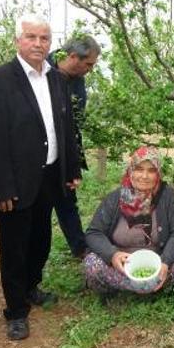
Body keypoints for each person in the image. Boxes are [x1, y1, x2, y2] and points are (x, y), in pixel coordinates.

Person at [0, 14, 81, 340]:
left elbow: (65, 128)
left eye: (44, 38)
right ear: (18, 40)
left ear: (51, 43)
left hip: (50, 175)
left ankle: (32, 287)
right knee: (14, 246)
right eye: (31, 37)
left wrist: (71, 168)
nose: (38, 44)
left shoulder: (56, 79)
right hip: (15, 180)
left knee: (41, 240)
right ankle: (15, 310)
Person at [83, 147, 174, 297]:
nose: (144, 176)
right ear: (130, 170)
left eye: (151, 170)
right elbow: (93, 233)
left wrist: (166, 261)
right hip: (122, 265)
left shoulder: (168, 196)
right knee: (92, 264)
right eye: (139, 169)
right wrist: (113, 255)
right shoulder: (116, 198)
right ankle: (146, 287)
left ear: (158, 173)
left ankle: (144, 284)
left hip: (157, 261)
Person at [47, 35, 101, 258]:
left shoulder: (78, 79)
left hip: (65, 153)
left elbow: (76, 120)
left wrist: (73, 161)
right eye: (88, 64)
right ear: (72, 57)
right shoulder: (42, 71)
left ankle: (80, 248)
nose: (90, 69)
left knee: (68, 201)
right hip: (40, 155)